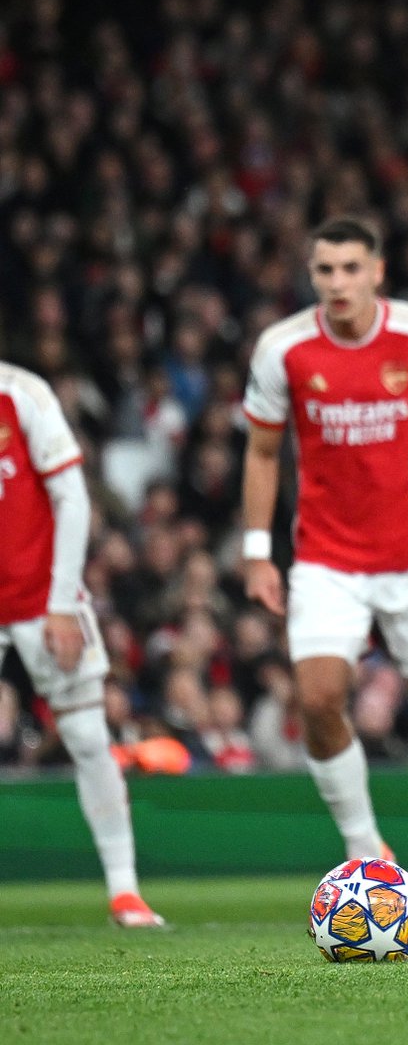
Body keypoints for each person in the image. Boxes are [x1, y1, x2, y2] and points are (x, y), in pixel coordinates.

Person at [240, 216, 408, 923]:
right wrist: (255, 552)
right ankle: (369, 856)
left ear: (377, 271)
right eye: (325, 271)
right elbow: (264, 454)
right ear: (311, 275)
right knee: (319, 699)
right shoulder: (284, 349)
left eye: (350, 269)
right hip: (327, 558)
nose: (337, 285)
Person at [0, 360, 165, 928]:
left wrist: (63, 602)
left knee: (88, 736)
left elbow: (72, 496)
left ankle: (124, 890)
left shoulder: (21, 394)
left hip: (37, 597)